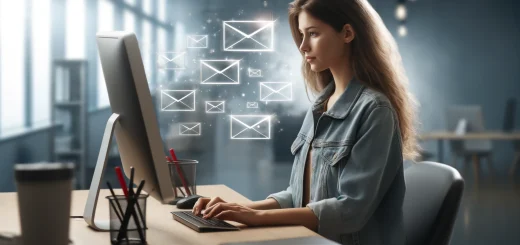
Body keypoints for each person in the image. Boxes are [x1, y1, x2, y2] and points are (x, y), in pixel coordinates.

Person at [192, 0, 418, 244]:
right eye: (301, 35)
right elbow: (298, 196)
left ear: (347, 33)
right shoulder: (320, 105)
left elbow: (351, 211)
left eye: (313, 34)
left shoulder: (375, 110)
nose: (302, 46)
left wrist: (254, 216)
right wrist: (238, 209)